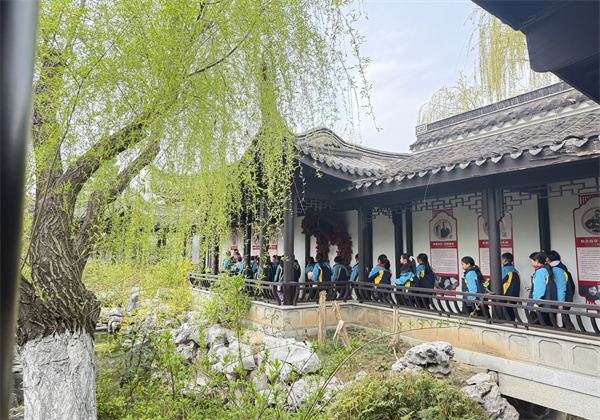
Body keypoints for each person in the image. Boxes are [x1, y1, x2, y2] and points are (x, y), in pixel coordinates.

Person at [525, 252, 557, 325]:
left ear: (536, 261)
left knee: (533, 327)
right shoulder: (547, 270)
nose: (531, 263)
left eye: (531, 261)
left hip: (541, 307)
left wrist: (536, 303)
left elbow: (540, 289)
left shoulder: (540, 272)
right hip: (550, 306)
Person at [501, 252, 521, 321]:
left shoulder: (504, 270)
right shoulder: (516, 271)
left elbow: (497, 282)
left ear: (505, 260)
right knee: (512, 316)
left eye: (502, 259)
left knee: (505, 317)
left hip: (505, 297)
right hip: (515, 297)